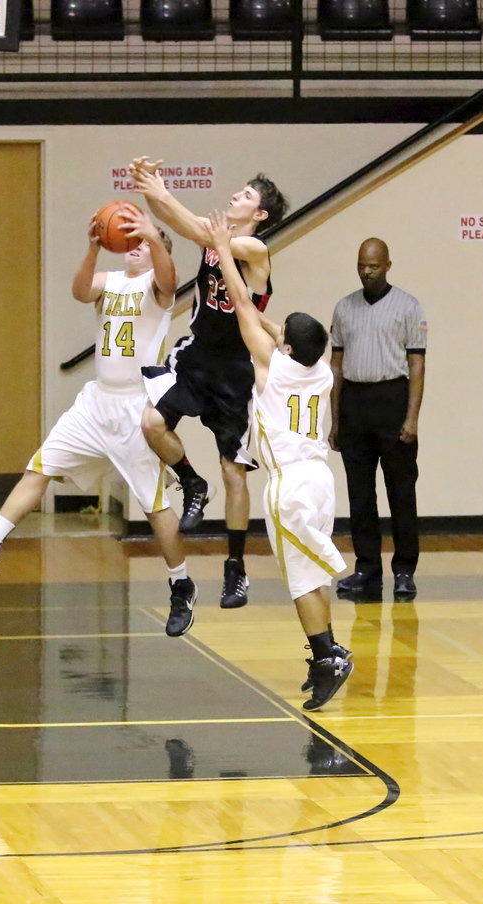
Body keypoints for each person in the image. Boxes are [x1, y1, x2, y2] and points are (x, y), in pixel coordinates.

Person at [0, 206, 200, 637]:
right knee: (40, 466)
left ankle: (180, 582)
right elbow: (79, 291)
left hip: (136, 408)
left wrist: (151, 234)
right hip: (96, 402)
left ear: (155, 251)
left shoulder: (158, 287)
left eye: (141, 245)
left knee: (154, 508)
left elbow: (170, 279)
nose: (132, 250)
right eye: (127, 244)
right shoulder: (110, 282)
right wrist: (94, 248)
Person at [204, 210, 352, 710]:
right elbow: (273, 326)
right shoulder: (320, 370)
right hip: (318, 479)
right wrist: (284, 328)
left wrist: (223, 249)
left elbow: (243, 303)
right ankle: (322, 655)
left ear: (285, 346)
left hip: (291, 483)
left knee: (302, 579)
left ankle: (329, 654)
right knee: (307, 576)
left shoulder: (274, 367)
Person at [129, 156, 288, 612]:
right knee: (152, 423)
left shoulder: (255, 250)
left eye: (247, 196)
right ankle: (190, 483)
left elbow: (196, 231)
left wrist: (160, 192)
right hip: (197, 354)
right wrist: (151, 187)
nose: (236, 195)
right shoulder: (214, 232)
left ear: (259, 215)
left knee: (234, 472)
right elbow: (174, 219)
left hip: (235, 368)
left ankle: (235, 567)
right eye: (239, 190)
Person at [328, 238, 426, 603]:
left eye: (373, 265)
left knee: (401, 491)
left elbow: (417, 364)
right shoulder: (344, 308)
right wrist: (335, 419)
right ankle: (366, 568)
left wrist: (412, 416)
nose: (366, 272)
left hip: (392, 399)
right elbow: (336, 366)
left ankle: (404, 571)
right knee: (360, 493)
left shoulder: (408, 307)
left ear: (387, 265)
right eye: (361, 265)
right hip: (355, 401)